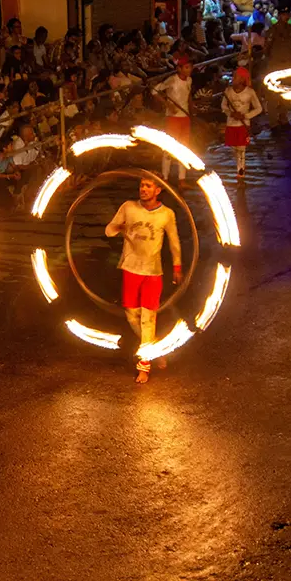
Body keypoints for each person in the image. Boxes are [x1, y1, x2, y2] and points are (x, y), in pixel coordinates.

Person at [105, 177, 182, 384]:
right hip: (130, 268)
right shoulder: (128, 207)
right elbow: (109, 230)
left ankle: (144, 366)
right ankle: (155, 347)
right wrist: (121, 228)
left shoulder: (167, 214)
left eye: (148, 186)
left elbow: (174, 241)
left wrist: (177, 266)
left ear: (158, 190)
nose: (143, 189)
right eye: (141, 185)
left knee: (148, 319)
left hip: (152, 272)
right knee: (132, 317)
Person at [151, 56, 194, 187]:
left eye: (190, 67)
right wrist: (168, 105)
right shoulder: (172, 80)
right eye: (186, 67)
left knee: (184, 148)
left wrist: (191, 108)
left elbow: (188, 95)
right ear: (179, 68)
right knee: (169, 148)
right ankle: (165, 178)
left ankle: (182, 179)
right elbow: (154, 91)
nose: (189, 70)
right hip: (172, 118)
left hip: (185, 117)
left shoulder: (189, 80)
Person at [221, 67, 262, 180]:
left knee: (241, 150)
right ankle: (239, 168)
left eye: (235, 77)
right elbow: (224, 106)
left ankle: (241, 173)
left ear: (242, 79)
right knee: (235, 150)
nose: (233, 79)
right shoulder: (228, 91)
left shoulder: (250, 92)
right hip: (231, 124)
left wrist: (245, 116)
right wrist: (231, 113)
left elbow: (258, 108)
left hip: (243, 125)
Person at [264, 7, 291, 134]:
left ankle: (283, 119)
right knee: (273, 96)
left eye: (287, 14)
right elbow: (267, 48)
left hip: (287, 65)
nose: (286, 17)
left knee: (286, 94)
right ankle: (274, 123)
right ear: (279, 15)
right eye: (283, 14)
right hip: (275, 65)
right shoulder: (273, 30)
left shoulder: (290, 29)